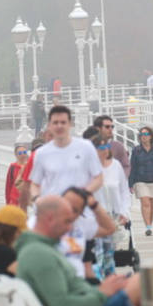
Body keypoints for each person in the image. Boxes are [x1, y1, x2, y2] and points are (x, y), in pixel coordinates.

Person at [16, 195, 141, 306]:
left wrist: (103, 289)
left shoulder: (41, 249)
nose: (70, 228)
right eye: (67, 221)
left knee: (140, 298)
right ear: (50, 218)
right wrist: (102, 294)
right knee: (140, 284)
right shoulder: (39, 254)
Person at [23, 104, 104, 269]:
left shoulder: (86, 148)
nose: (59, 126)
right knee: (53, 261)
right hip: (52, 217)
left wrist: (82, 195)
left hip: (80, 215)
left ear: (70, 124)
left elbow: (98, 178)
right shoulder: (41, 153)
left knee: (85, 265)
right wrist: (37, 200)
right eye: (55, 122)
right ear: (49, 125)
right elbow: (34, 184)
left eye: (63, 122)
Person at [90, 131, 133, 280]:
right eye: (100, 147)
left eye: (106, 146)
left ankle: (109, 281)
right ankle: (100, 282)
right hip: (95, 217)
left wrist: (124, 212)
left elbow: (123, 191)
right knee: (98, 254)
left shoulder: (116, 166)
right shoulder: (89, 168)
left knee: (109, 254)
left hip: (113, 216)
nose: (105, 149)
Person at [129, 127, 153, 237]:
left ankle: (150, 224)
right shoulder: (136, 150)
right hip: (140, 180)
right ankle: (147, 227)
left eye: (146, 134)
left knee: (152, 204)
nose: (143, 136)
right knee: (145, 202)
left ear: (150, 136)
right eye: (141, 134)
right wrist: (130, 183)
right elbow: (133, 167)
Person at [7, 135, 32, 208]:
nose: (23, 155)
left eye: (24, 152)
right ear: (16, 155)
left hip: (28, 199)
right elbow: (9, 185)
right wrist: (8, 201)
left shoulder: (30, 166)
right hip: (15, 199)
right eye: (20, 153)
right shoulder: (13, 167)